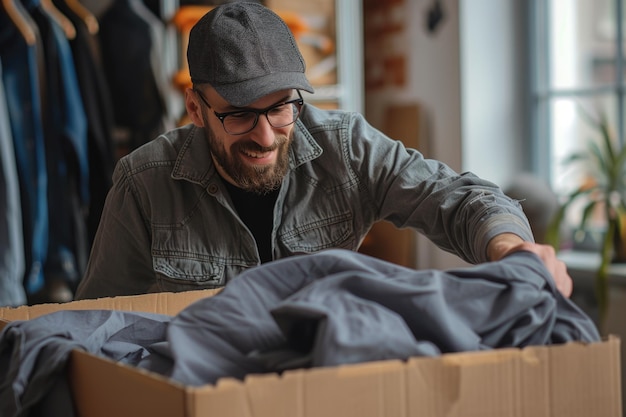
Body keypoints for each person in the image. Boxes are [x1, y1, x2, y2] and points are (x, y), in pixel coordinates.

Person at [74, 2, 572, 300]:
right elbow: (93, 328)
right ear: (196, 108)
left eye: (281, 108)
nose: (266, 136)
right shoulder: (142, 184)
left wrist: (509, 247)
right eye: (239, 115)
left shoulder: (347, 149)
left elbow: (454, 196)